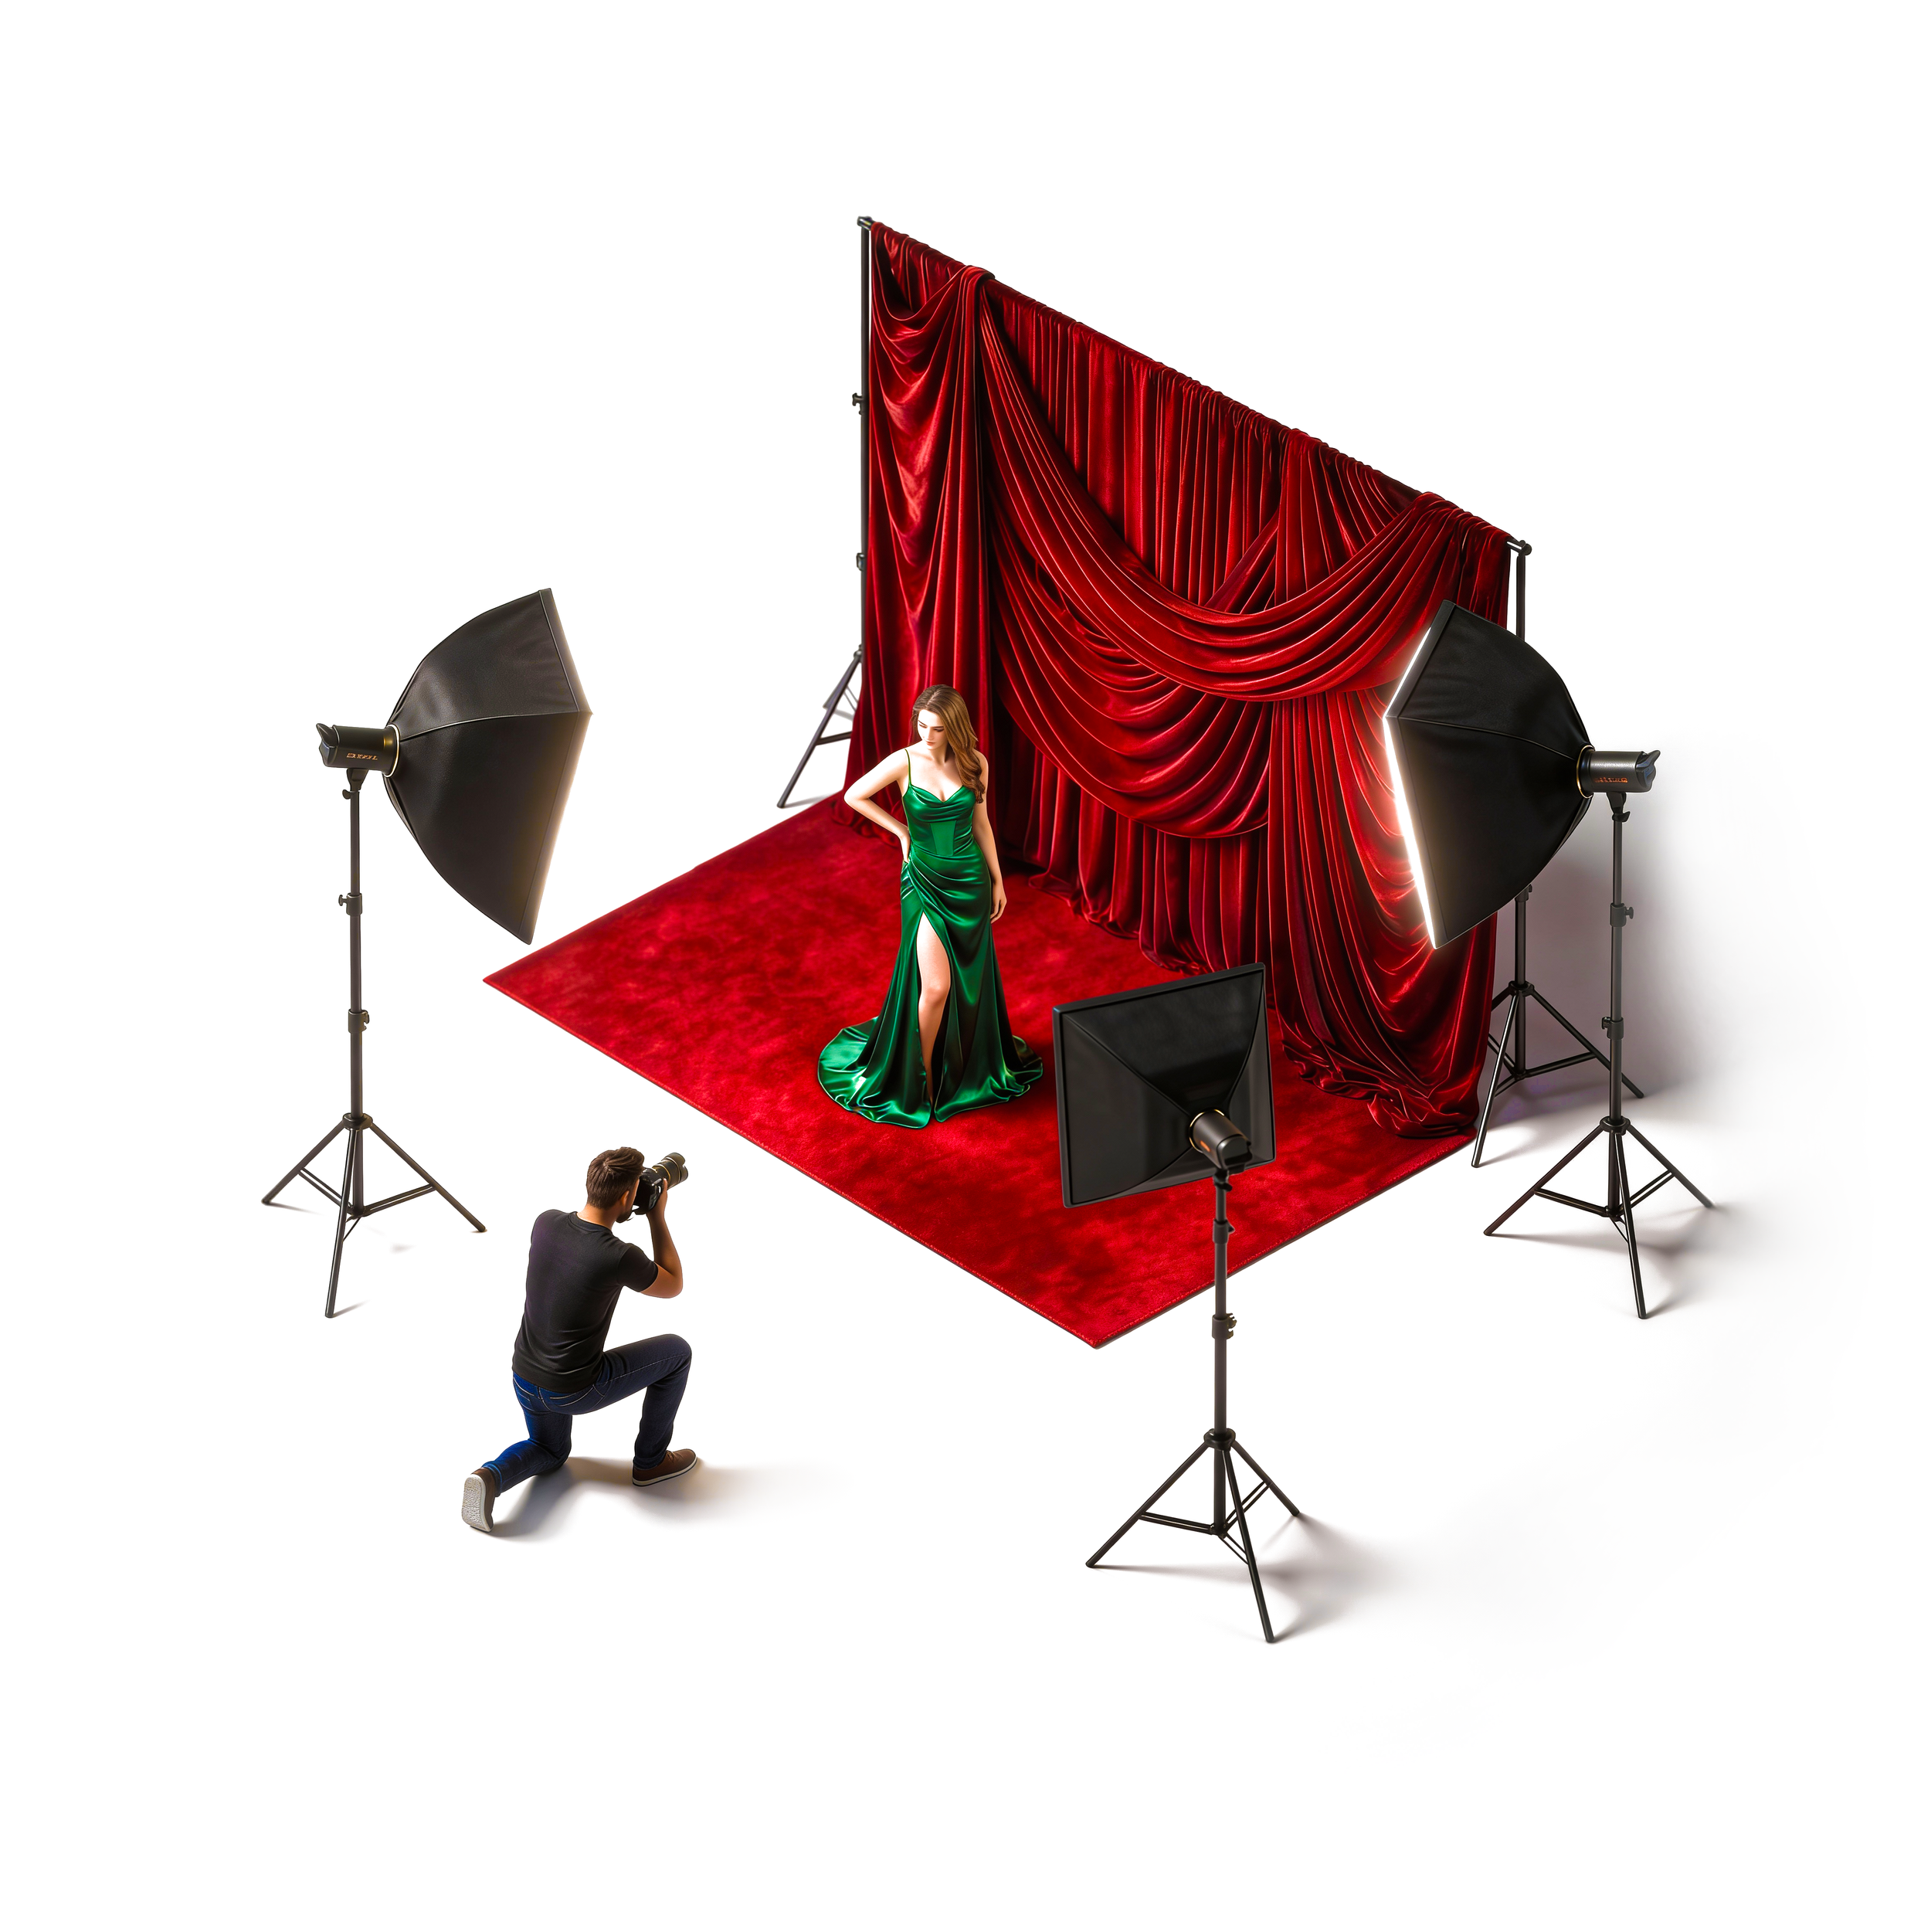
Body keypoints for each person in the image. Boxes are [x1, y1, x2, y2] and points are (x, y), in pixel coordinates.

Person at [819, 684, 1041, 1128]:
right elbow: (854, 796)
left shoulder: (975, 762)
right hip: (922, 882)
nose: (927, 735)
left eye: (937, 728)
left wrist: (997, 879)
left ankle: (962, 1065)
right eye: (921, 725)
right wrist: (901, 832)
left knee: (967, 983)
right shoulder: (904, 760)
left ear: (954, 727)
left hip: (970, 881)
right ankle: (917, 1082)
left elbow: (981, 822)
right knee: (936, 987)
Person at [462, 1147, 695, 1534]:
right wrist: (657, 1215)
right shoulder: (619, 1255)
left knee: (551, 1451)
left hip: (524, 1377)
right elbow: (673, 1285)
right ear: (627, 1198)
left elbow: (585, 1246)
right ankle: (650, 1463)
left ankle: (490, 1476)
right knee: (677, 1352)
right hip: (573, 1389)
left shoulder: (546, 1222)